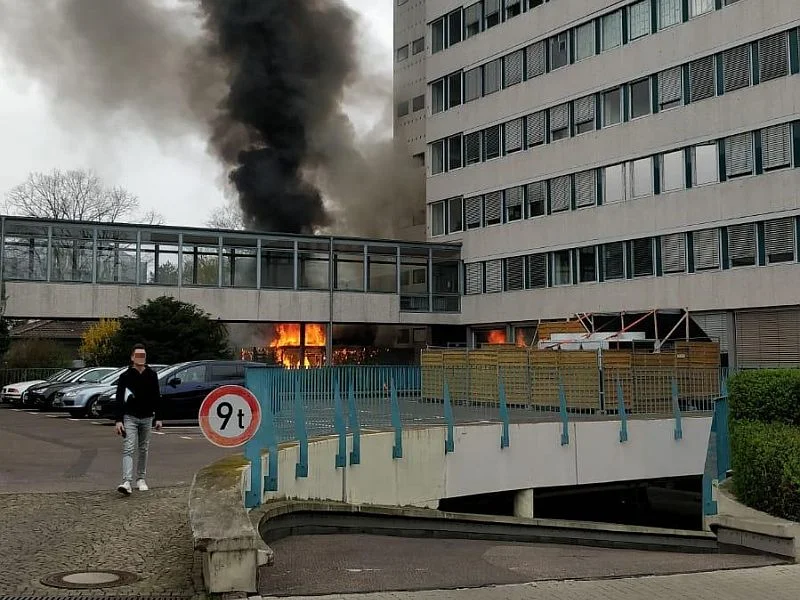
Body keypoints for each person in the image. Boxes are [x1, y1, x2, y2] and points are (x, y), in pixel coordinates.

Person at [115, 343, 162, 496]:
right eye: (138, 355)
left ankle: (141, 478)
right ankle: (126, 481)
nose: (141, 358)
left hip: (147, 417)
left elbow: (157, 397)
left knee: (143, 448)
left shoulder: (152, 375)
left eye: (143, 355)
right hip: (130, 417)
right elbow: (119, 399)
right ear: (132, 357)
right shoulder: (125, 376)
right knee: (129, 447)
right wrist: (118, 420)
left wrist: (159, 418)